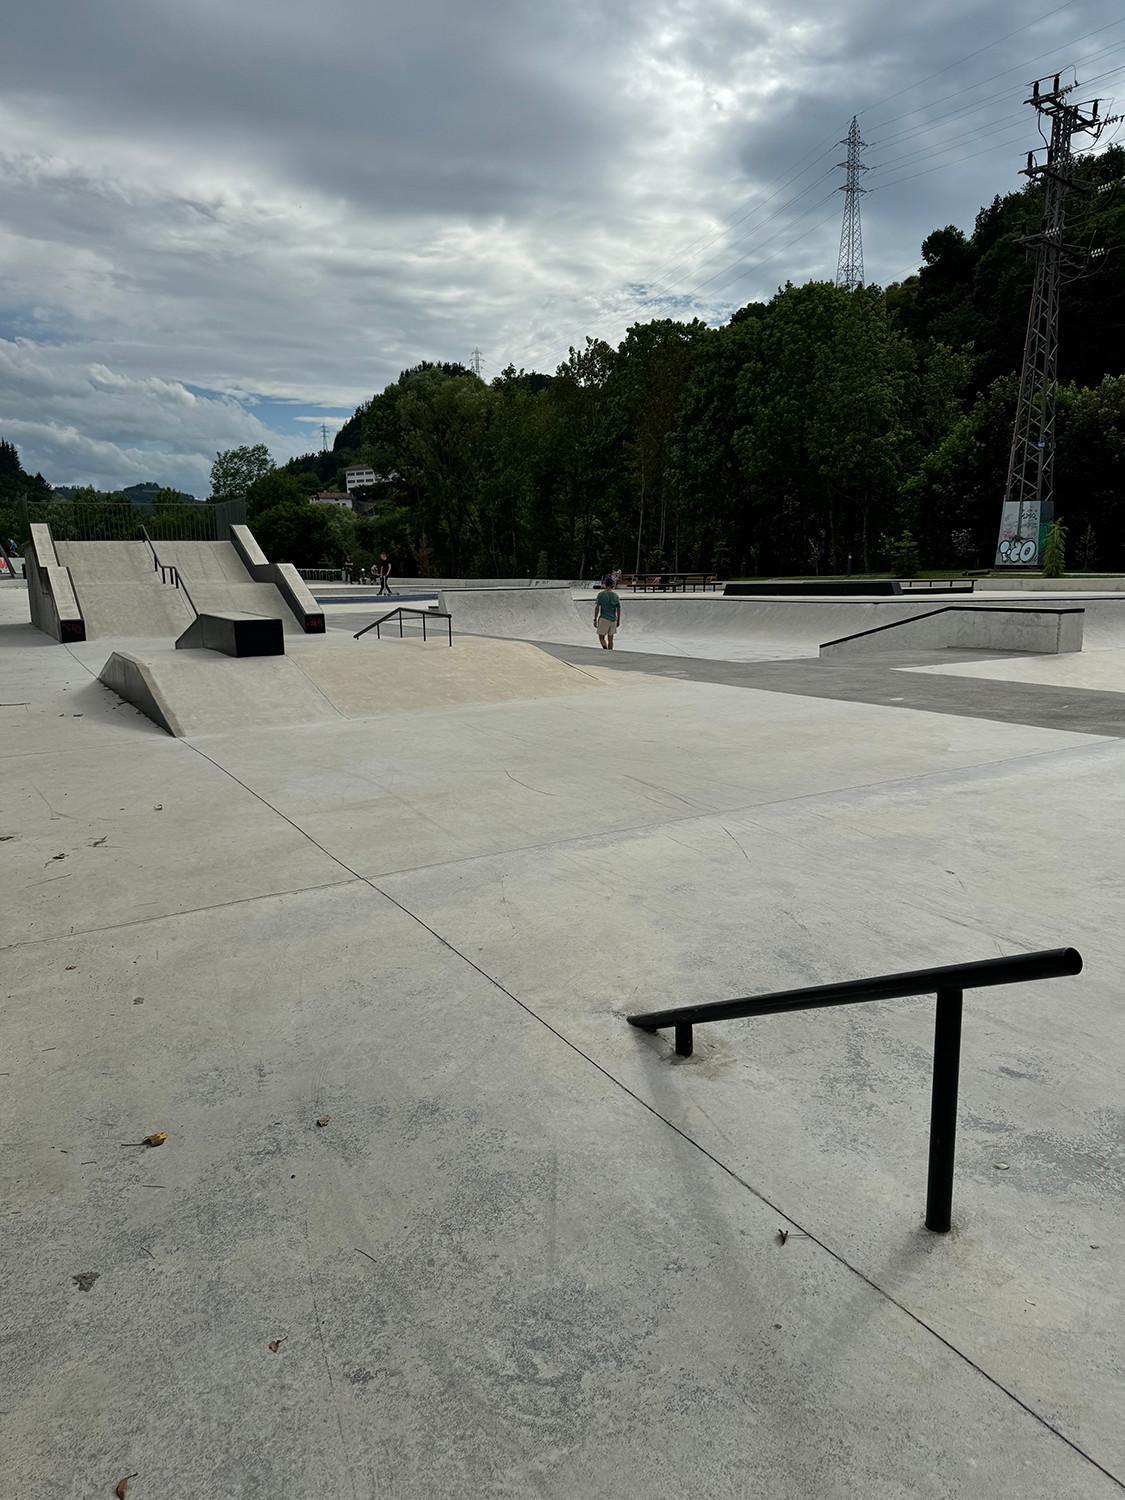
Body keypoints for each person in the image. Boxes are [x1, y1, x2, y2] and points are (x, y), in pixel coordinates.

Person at [593, 575, 621, 650]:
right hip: (613, 620)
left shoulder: (601, 594)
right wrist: (618, 620)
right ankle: (610, 653)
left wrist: (595, 619)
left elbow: (597, 608)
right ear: (612, 585)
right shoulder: (615, 596)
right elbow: (618, 609)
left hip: (604, 619)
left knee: (601, 637)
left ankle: (605, 648)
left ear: (605, 584)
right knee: (610, 639)